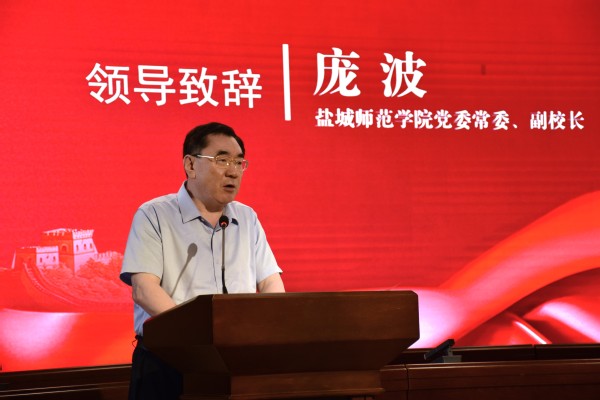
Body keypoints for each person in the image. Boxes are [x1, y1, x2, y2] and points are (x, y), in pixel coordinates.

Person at [120, 122, 285, 400]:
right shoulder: (154, 214)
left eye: (239, 162)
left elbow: (271, 282)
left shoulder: (246, 218)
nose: (233, 171)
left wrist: (267, 331)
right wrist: (199, 338)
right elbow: (144, 290)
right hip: (169, 362)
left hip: (236, 363)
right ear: (191, 165)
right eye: (222, 160)